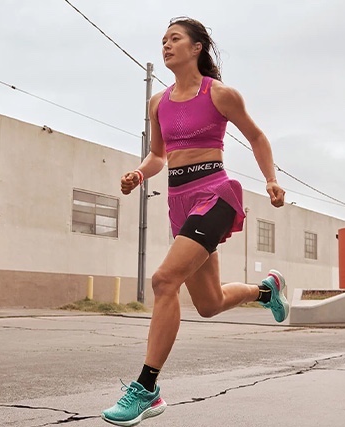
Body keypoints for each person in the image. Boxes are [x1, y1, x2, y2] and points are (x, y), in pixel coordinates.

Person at [101, 17, 289, 426]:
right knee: (209, 304)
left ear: (197, 47)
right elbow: (158, 156)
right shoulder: (158, 102)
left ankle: (147, 389)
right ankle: (266, 290)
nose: (166, 46)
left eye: (175, 39)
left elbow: (256, 137)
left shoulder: (219, 94)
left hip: (215, 194)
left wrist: (272, 180)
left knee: (163, 281)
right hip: (179, 201)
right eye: (163, 40)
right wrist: (138, 173)